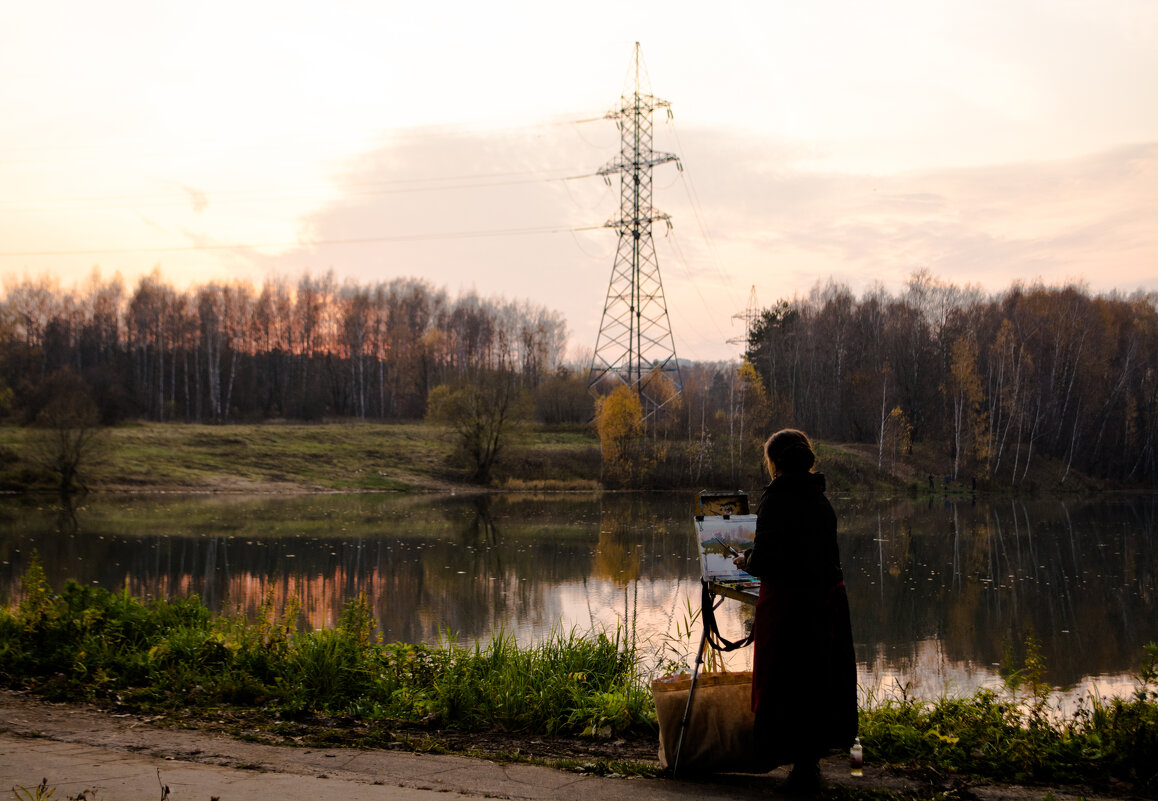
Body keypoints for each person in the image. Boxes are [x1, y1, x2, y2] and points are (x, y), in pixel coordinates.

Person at [732, 429, 858, 792]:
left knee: (785, 683)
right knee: (817, 683)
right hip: (825, 606)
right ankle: (809, 765)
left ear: (774, 462)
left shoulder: (777, 497)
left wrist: (745, 559)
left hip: (790, 609)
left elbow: (772, 557)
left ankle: (796, 770)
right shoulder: (819, 496)